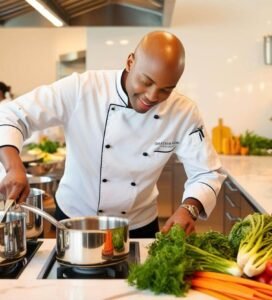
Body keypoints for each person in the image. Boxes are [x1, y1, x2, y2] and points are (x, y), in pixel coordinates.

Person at [0, 31, 226, 238]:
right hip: (74, 221)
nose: (152, 96)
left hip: (138, 226)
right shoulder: (82, 88)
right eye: (146, 81)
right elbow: (10, 115)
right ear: (130, 62)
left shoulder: (183, 112)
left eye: (166, 89)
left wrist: (190, 208)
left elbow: (207, 172)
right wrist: (13, 166)